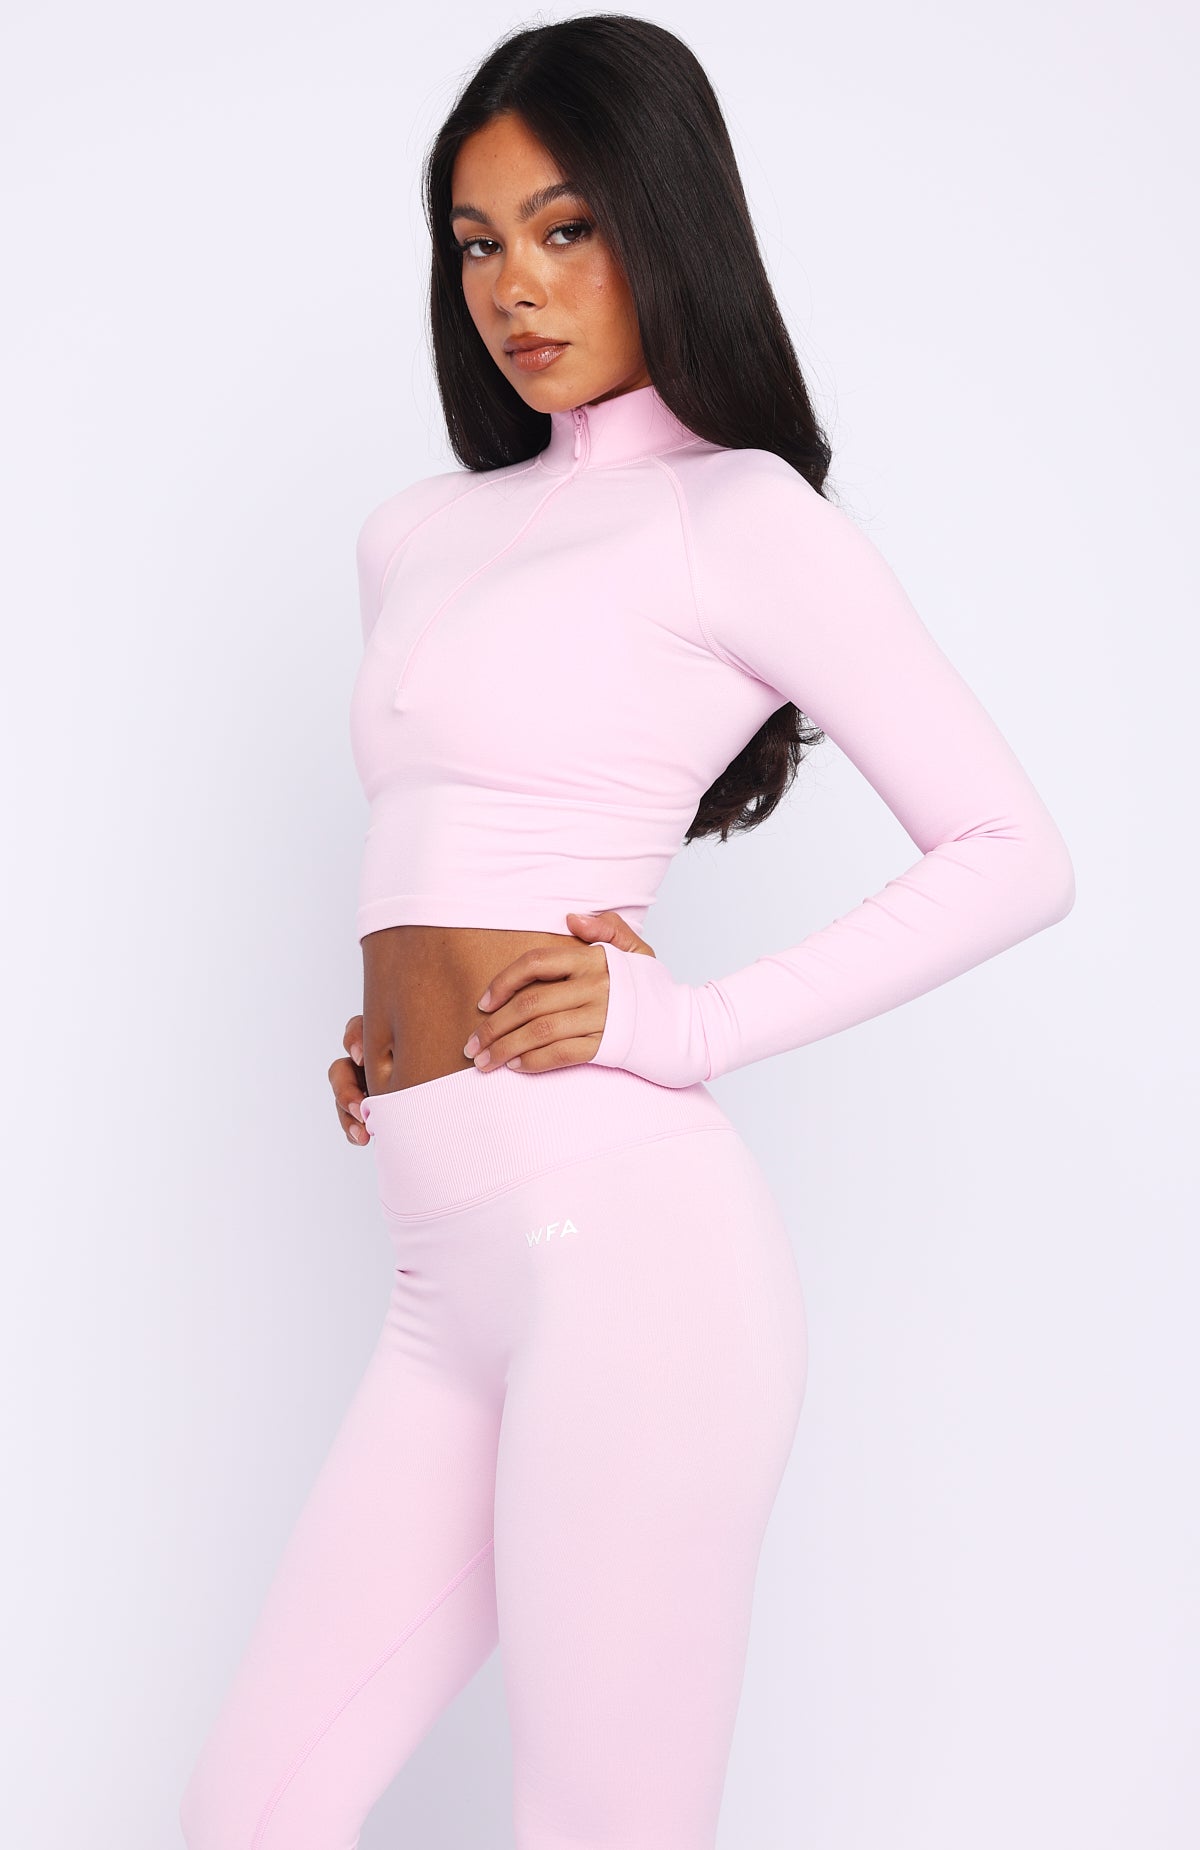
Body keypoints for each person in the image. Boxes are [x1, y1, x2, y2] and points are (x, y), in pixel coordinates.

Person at [178, 15, 1075, 1849]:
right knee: (248, 1810)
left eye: (566, 227)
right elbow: (462, 829)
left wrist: (691, 1023)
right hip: (443, 1280)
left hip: (635, 1266)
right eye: (477, 241)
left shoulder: (736, 517)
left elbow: (1014, 851)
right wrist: (395, 1029)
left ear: (663, 220)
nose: (513, 285)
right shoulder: (415, 533)